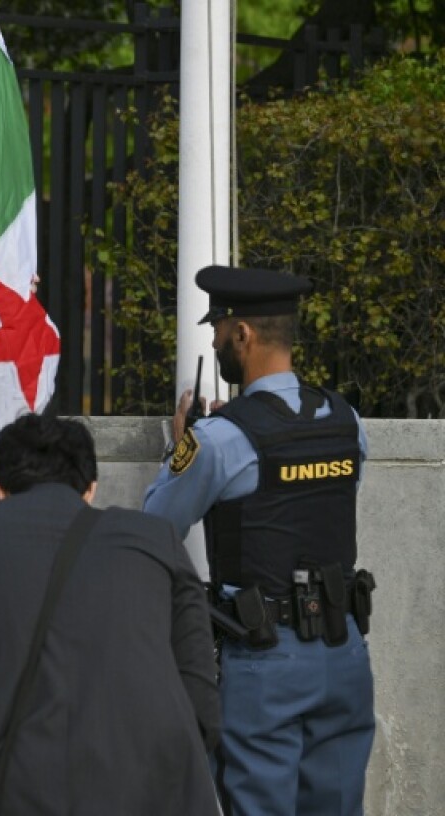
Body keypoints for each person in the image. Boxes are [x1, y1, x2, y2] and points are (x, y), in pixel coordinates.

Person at [142, 265, 374, 816]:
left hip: (267, 663)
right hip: (345, 655)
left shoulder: (222, 439)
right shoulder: (347, 422)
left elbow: (155, 526)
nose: (217, 342)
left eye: (218, 330)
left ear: (242, 334)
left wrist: (182, 447)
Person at [0, 414, 220, 814]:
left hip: (8, 792)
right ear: (91, 489)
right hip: (146, 791)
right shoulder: (157, 541)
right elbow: (202, 700)